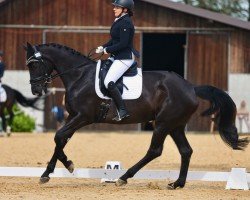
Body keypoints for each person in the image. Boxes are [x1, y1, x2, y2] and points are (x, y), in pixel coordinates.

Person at [95, 0, 139, 121]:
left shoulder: (126, 22)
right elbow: (115, 40)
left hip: (124, 58)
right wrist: (103, 47)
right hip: (117, 56)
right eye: (114, 7)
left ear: (125, 10)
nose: (114, 9)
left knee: (109, 81)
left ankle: (123, 110)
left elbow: (123, 43)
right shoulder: (119, 20)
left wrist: (107, 50)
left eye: (117, 7)